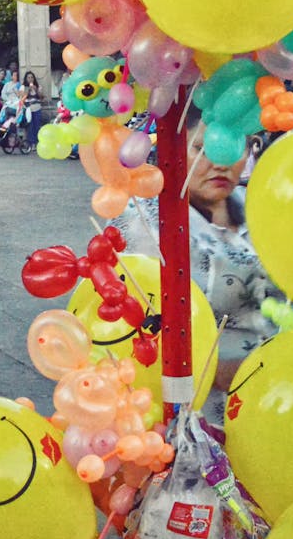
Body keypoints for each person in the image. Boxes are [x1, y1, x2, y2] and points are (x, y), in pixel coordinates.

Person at [111, 105, 281, 426]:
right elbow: (129, 329)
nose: (219, 162)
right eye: (201, 148)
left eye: (235, 147)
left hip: (276, 406)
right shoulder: (144, 221)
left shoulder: (261, 207)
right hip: (194, 420)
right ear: (174, 150)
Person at [20, 70, 44, 145]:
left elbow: (41, 97)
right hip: (28, 109)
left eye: (32, 77)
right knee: (30, 126)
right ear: (26, 79)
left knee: (37, 125)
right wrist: (28, 90)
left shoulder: (38, 86)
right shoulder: (23, 87)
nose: (30, 79)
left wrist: (36, 90)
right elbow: (22, 98)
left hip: (37, 108)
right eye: (28, 77)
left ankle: (37, 142)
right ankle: (30, 143)